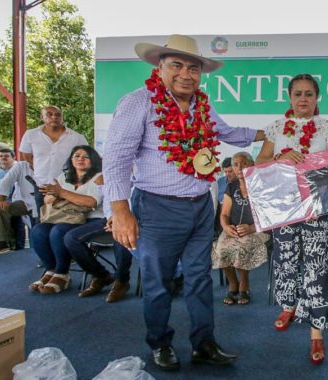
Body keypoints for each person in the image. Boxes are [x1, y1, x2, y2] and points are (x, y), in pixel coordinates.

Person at [103, 34, 265, 372]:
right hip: (157, 208)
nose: (186, 74)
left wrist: (277, 131)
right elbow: (116, 159)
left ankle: (203, 343)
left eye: (194, 67)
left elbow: (229, 133)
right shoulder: (138, 103)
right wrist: (120, 211)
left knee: (200, 279)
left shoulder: (202, 105)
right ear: (159, 67)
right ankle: (160, 343)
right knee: (159, 282)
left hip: (200, 206)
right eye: (177, 65)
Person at [255, 73, 328, 365]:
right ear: (289, 98)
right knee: (285, 258)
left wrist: (311, 169)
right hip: (283, 207)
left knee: (316, 265)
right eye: (298, 94)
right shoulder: (277, 127)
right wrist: (281, 156)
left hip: (316, 208)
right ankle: (289, 304)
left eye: (308, 94)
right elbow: (260, 164)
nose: (303, 99)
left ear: (317, 98)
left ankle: (317, 330)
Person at [29, 145, 104, 295]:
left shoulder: (99, 176)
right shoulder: (64, 176)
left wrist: (62, 192)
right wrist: (54, 194)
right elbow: (48, 200)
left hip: (93, 218)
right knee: (38, 230)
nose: (80, 159)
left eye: (85, 156)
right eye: (77, 156)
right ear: (71, 159)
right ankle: (51, 270)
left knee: (59, 231)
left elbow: (91, 202)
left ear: (93, 160)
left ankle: (62, 274)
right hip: (65, 216)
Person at [212, 152, 268, 305]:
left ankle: (244, 284)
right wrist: (225, 226)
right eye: (235, 164)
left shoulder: (261, 186)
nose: (239, 167)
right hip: (233, 230)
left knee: (240, 248)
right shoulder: (231, 187)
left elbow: (268, 217)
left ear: (252, 165)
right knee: (220, 249)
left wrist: (250, 228)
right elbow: (224, 214)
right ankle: (233, 283)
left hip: (257, 230)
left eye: (243, 163)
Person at [19, 105, 88, 217]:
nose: (54, 117)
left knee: (66, 219)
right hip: (41, 186)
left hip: (68, 188)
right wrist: (37, 166)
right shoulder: (31, 135)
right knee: (41, 220)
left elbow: (85, 159)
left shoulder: (77, 137)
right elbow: (26, 155)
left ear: (63, 117)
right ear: (42, 117)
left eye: (57, 114)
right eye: (49, 114)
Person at [67, 197, 134, 303]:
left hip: (133, 219)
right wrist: (111, 217)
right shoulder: (111, 181)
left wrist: (122, 220)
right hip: (109, 218)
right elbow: (108, 201)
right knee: (71, 238)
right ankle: (101, 276)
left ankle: (122, 280)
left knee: (121, 238)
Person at [0, 158, 37, 251]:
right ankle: (3, 241)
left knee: (37, 230)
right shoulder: (21, 165)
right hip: (25, 203)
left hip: (47, 203)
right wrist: (2, 199)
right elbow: (5, 183)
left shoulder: (50, 164)